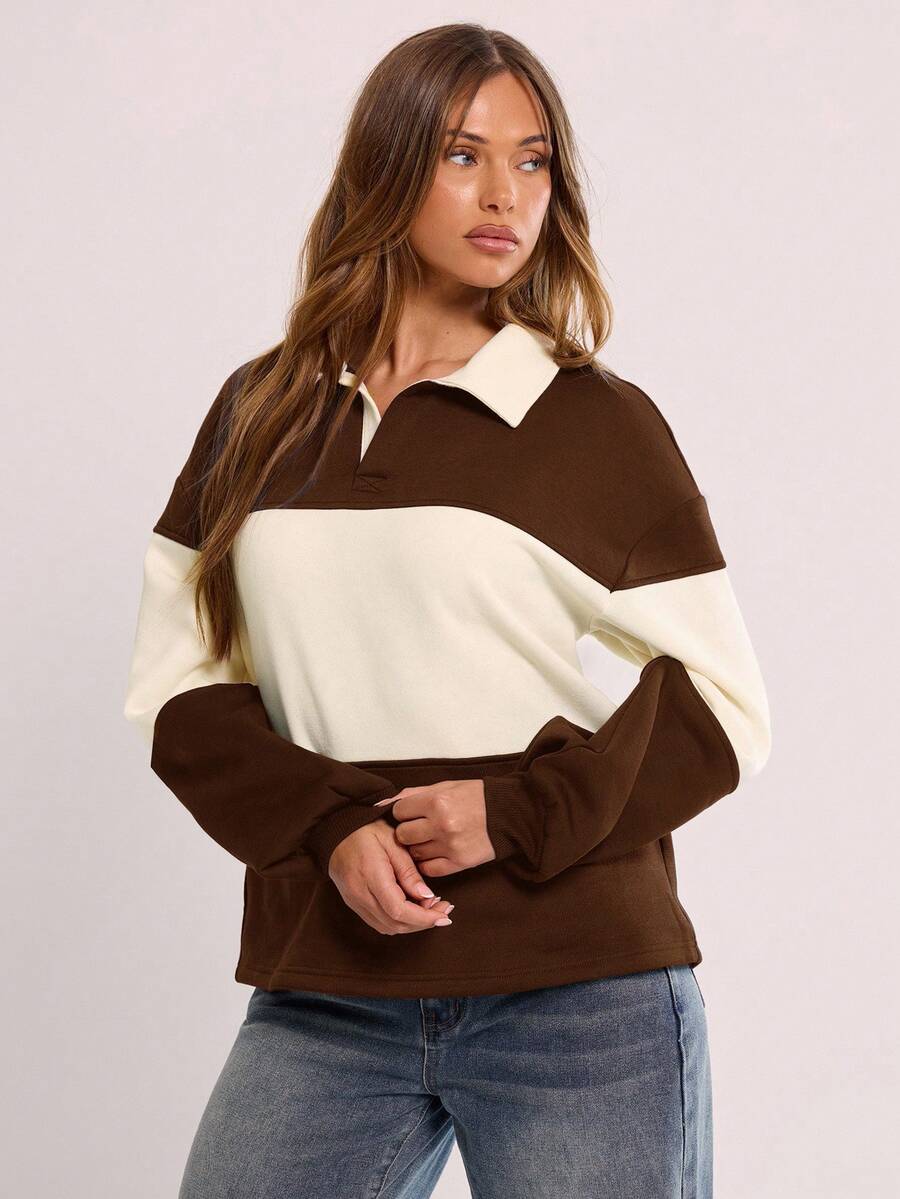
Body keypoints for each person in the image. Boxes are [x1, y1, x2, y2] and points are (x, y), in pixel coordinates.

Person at [123, 22, 771, 1199]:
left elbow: (725, 706)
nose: (505, 194)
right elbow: (181, 683)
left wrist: (512, 812)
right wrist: (329, 824)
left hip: (581, 995)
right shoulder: (262, 414)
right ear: (388, 164)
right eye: (463, 154)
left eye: (534, 161)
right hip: (327, 990)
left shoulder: (593, 423)